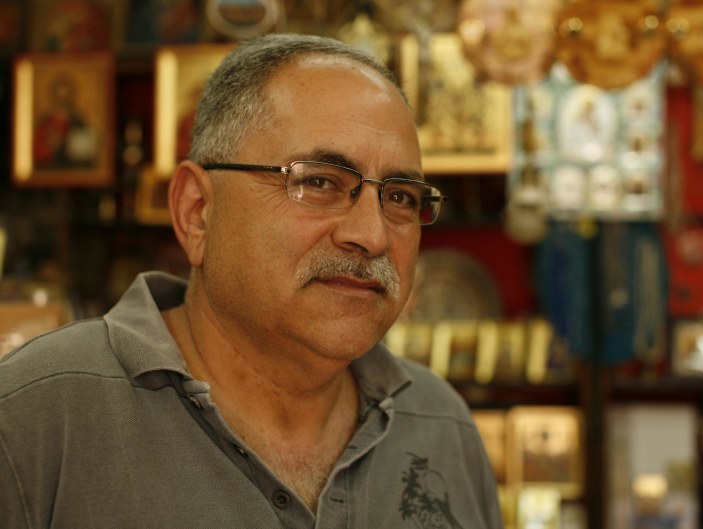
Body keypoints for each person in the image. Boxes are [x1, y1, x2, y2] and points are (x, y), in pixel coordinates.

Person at [0, 33, 502, 528]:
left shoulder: (440, 424)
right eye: (319, 181)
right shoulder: (34, 418)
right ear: (197, 212)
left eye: (399, 198)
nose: (371, 235)